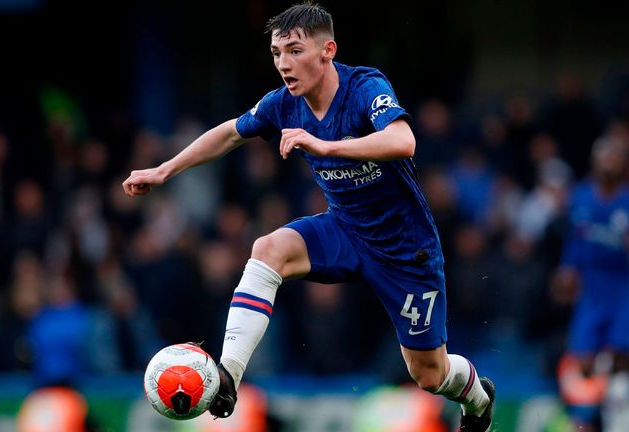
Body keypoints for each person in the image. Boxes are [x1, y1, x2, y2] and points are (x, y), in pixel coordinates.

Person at [122, 3, 494, 430]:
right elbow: (229, 132)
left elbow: (403, 139)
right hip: (344, 228)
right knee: (268, 249)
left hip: (405, 249)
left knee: (429, 374)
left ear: (327, 50)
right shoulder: (283, 104)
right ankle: (228, 375)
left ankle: (479, 401)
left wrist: (325, 145)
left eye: (294, 51)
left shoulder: (365, 87)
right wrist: (165, 169)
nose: (283, 64)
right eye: (277, 53)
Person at [553, 136, 629, 431]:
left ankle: (616, 419)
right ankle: (584, 419)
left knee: (621, 357)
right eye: (604, 156)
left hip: (623, 289)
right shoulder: (581, 197)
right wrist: (567, 270)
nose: (608, 161)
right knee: (581, 362)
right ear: (594, 162)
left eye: (615, 156)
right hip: (592, 290)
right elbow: (574, 243)